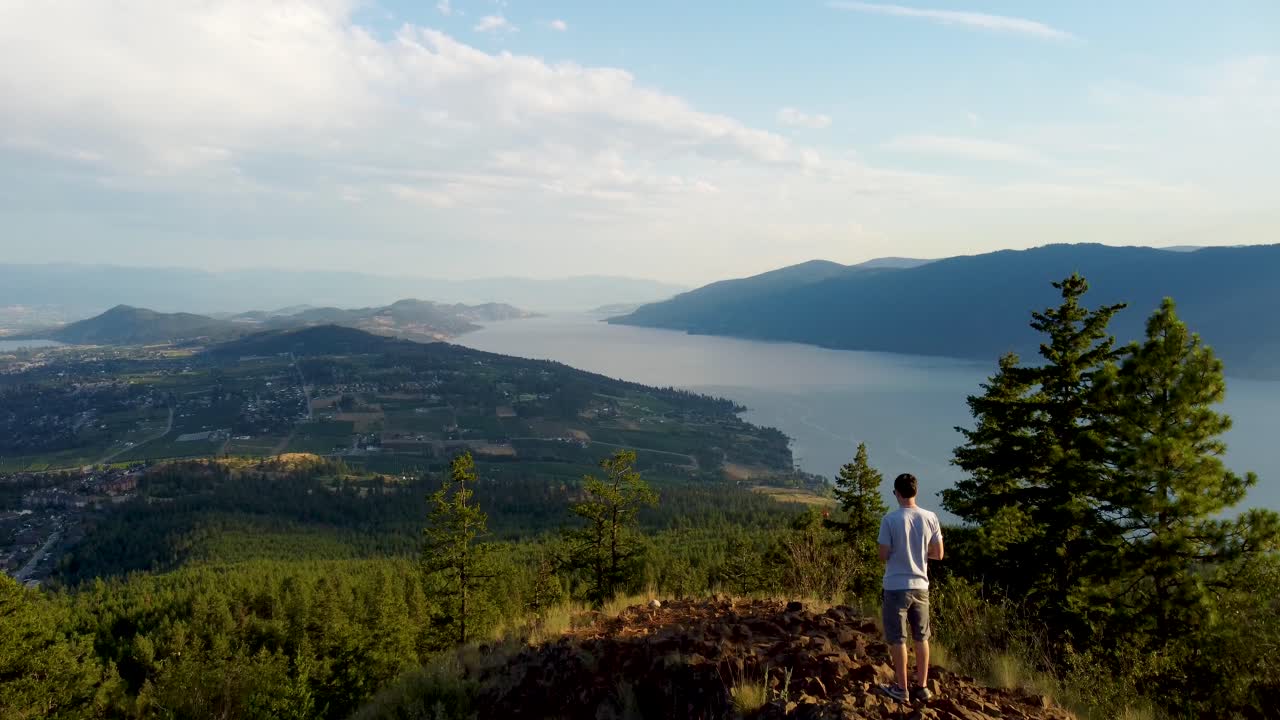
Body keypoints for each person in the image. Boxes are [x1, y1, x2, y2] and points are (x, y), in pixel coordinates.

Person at [877, 472, 944, 704]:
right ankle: (923, 687)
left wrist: (900, 552)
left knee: (898, 639)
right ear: (915, 491)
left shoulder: (890, 520)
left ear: (897, 493)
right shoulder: (930, 517)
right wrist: (919, 553)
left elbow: (883, 554)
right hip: (921, 586)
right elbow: (939, 553)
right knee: (922, 637)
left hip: (895, 586)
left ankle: (901, 688)